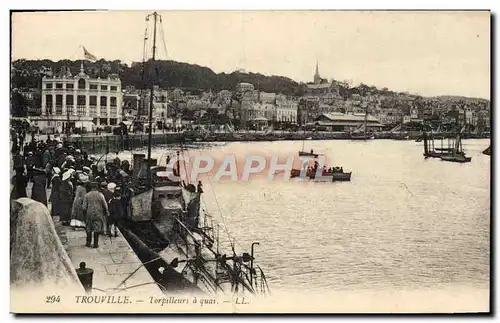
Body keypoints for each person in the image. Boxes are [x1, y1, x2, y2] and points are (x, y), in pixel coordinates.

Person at [82, 182, 109, 248]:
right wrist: (106, 211)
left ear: (91, 188)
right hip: (99, 213)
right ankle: (95, 244)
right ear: (97, 187)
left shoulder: (87, 195)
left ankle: (88, 242)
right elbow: (105, 205)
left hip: (89, 213)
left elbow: (84, 207)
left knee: (89, 228)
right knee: (97, 228)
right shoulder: (101, 195)